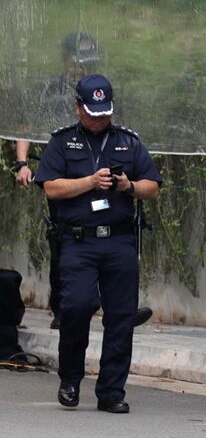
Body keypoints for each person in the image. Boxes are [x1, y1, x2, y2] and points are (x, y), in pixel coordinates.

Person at [33, 74, 162, 414]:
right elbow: (51, 188)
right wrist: (90, 181)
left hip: (119, 241)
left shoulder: (128, 142)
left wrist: (128, 186)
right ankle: (70, 378)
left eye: (104, 113)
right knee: (76, 307)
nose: (99, 119)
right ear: (78, 106)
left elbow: (152, 187)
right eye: (92, 112)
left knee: (121, 317)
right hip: (78, 242)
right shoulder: (62, 142)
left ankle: (111, 391)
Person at [12, 32, 152, 330]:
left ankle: (116, 307)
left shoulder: (100, 90)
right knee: (64, 238)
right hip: (64, 167)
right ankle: (64, 307)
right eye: (78, 60)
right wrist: (23, 163)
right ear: (65, 59)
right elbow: (28, 126)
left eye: (88, 60)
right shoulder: (49, 88)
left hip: (102, 168)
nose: (82, 65)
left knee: (112, 236)